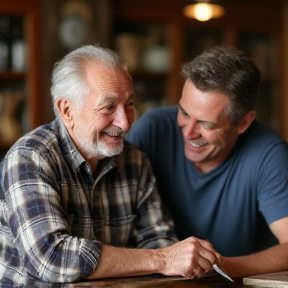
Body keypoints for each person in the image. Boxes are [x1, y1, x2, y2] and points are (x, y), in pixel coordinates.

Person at [0, 44, 220, 286]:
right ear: (67, 109)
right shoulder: (30, 158)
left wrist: (168, 258)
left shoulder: (135, 160)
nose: (125, 123)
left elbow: (160, 242)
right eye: (109, 107)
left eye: (129, 104)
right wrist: (161, 260)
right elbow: (53, 258)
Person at [126, 45, 288, 278]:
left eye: (207, 124)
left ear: (243, 122)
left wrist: (216, 267)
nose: (188, 132)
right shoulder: (152, 129)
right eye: (183, 113)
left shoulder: (269, 153)